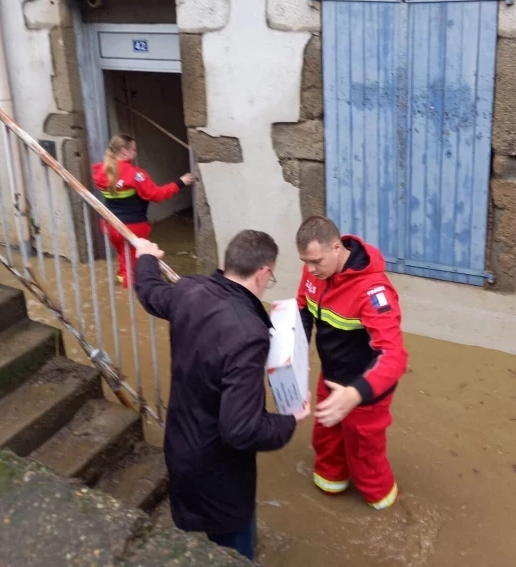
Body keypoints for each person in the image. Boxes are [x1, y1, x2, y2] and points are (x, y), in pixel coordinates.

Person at [133, 230, 311, 560]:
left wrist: (145, 257)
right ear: (263, 273)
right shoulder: (248, 335)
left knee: (192, 547)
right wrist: (287, 422)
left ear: (225, 263)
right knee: (235, 553)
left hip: (180, 451)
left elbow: (149, 291)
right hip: (219, 473)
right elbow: (240, 429)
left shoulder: (188, 289)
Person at [295, 216, 408, 510]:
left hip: (366, 389)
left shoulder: (374, 292)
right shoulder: (315, 272)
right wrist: (296, 356)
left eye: (315, 261)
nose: (309, 270)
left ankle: (382, 502)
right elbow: (303, 308)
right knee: (326, 441)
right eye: (305, 262)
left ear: (336, 248)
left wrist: (355, 393)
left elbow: (395, 357)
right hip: (331, 377)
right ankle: (331, 487)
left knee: (365, 455)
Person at [92, 133, 196, 288]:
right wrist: (181, 182)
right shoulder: (136, 175)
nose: (135, 153)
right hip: (133, 227)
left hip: (109, 224)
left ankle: (121, 279)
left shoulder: (100, 171)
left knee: (123, 254)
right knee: (134, 267)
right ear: (125, 152)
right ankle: (130, 299)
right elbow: (157, 195)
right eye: (133, 150)